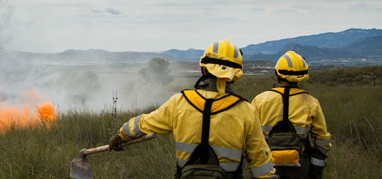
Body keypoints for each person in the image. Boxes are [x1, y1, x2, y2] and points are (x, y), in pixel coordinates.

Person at [108, 40, 275, 178]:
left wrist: (121, 134)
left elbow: (145, 123)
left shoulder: (180, 102)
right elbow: (260, 162)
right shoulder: (246, 110)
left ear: (203, 69)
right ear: (235, 75)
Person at [252, 51, 331, 179]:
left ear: (278, 74)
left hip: (266, 164)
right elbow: (322, 140)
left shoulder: (260, 100)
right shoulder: (311, 103)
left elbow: (251, 136)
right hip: (301, 166)